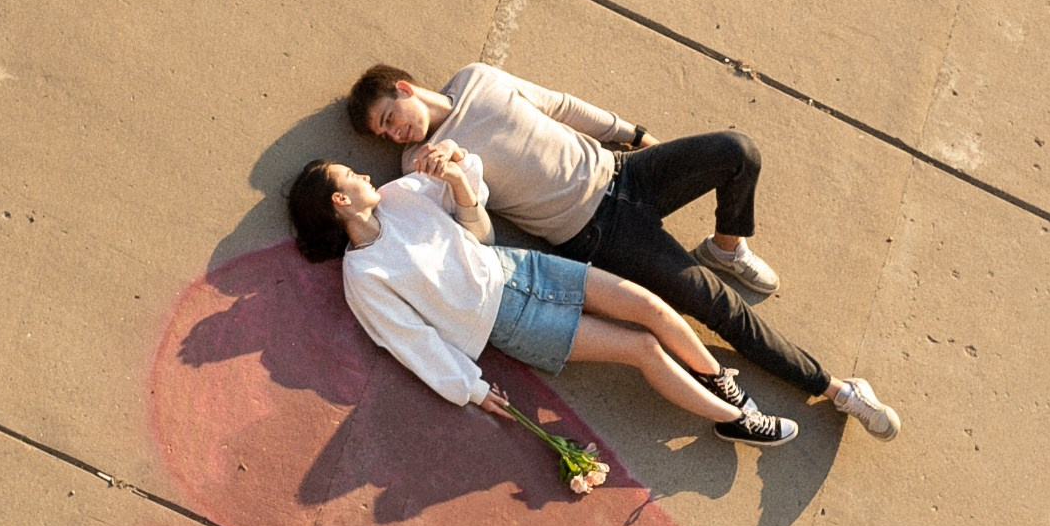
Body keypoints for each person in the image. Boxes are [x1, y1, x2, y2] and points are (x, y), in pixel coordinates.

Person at [344, 61, 899, 436]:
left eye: (390, 119)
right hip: (598, 234)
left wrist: (632, 135)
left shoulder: (477, 77)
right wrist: (456, 179)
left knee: (737, 150)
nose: (395, 135)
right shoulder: (419, 167)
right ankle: (835, 389)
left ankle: (727, 246)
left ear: (406, 88)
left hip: (625, 173)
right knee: (714, 307)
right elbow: (472, 233)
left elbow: (559, 106)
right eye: (384, 134)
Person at [286, 140, 802, 449]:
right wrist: (469, 388)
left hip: (519, 265)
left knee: (649, 305)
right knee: (640, 348)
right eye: (351, 176)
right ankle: (738, 422)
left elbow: (471, 195)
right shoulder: (364, 276)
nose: (364, 174)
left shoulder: (400, 197)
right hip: (509, 325)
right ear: (339, 200)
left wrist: (455, 160)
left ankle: (719, 381)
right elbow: (408, 341)